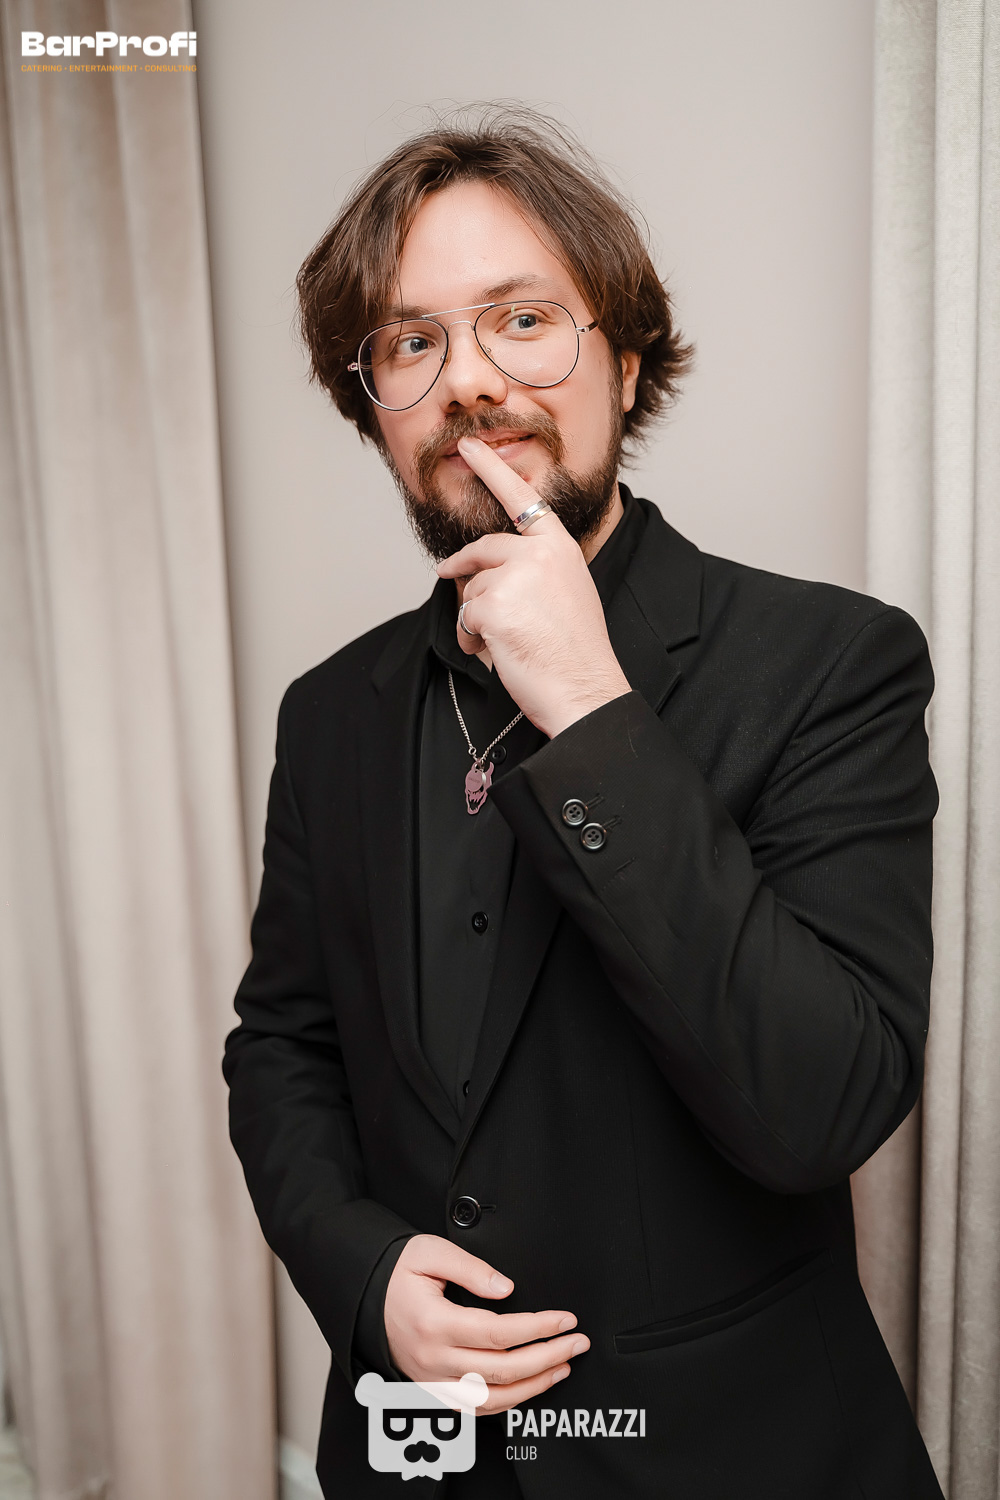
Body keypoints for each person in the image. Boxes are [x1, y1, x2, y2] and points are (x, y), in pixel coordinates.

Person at [222, 109, 944, 1499]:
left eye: (523, 321)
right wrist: (364, 1275)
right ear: (373, 406)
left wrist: (595, 713)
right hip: (421, 1452)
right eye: (411, 342)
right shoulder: (330, 713)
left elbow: (823, 1105)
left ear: (624, 360)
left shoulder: (831, 661)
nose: (469, 381)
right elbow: (283, 1047)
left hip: (730, 1458)